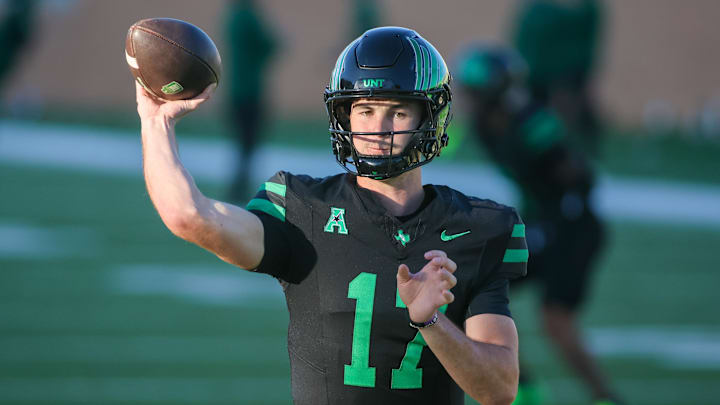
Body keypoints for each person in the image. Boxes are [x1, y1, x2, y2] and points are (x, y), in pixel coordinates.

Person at [135, 27, 527, 405]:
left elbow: (499, 389)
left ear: (430, 118)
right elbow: (189, 216)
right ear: (344, 117)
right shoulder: (301, 209)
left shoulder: (477, 227)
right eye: (365, 110)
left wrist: (432, 322)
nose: (378, 128)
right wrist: (156, 123)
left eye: (399, 112)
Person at [454, 43, 622, 405]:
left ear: (491, 93)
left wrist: (551, 213)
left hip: (572, 225)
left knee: (555, 321)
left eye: (474, 93)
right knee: (473, 296)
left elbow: (579, 177)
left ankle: (605, 398)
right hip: (544, 221)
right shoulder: (487, 126)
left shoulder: (531, 121)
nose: (468, 100)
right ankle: (525, 389)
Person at [509, 0, 605, 156]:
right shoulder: (538, 11)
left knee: (563, 124)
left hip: (565, 78)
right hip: (538, 77)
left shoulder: (584, 12)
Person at [224, 0, 278, 203]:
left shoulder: (234, 15)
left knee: (242, 146)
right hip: (251, 92)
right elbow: (269, 45)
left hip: (236, 91)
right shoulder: (248, 16)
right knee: (248, 146)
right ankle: (238, 190)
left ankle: (238, 189)